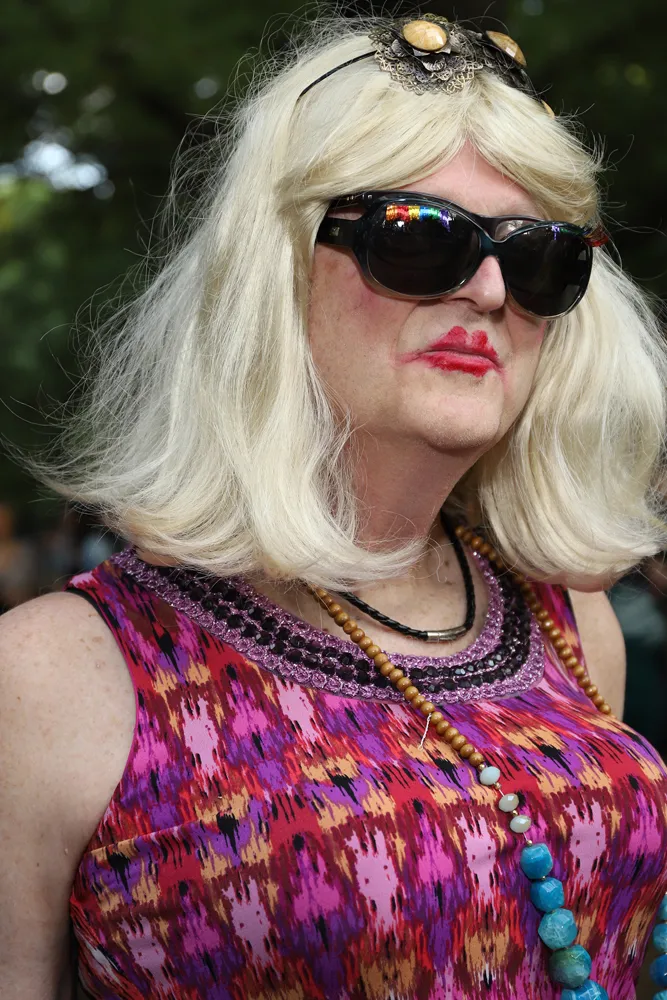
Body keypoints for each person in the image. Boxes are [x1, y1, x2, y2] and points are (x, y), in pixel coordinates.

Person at [1, 12, 667, 1000]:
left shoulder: (571, 622)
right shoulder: (50, 677)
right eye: (418, 238)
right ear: (273, 271)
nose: (490, 290)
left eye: (540, 259)